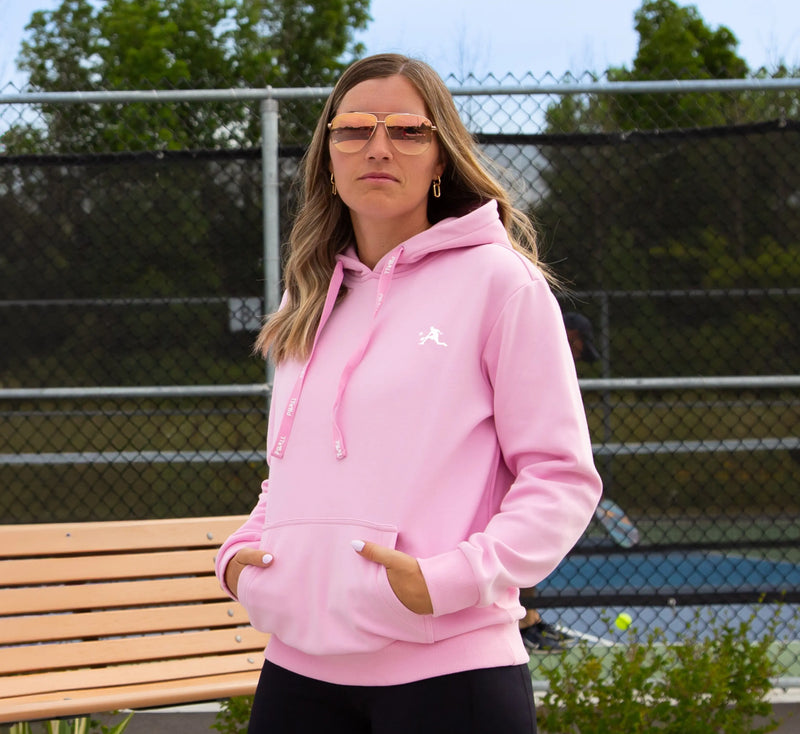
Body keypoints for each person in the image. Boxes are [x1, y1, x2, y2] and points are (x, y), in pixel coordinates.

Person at [214, 53, 602, 734]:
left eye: (408, 132)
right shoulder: (307, 297)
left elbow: (560, 478)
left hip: (450, 672)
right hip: (298, 672)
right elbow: (295, 470)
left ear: (441, 158)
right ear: (328, 157)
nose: (379, 148)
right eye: (355, 130)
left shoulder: (501, 284)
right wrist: (244, 554)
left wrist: (451, 579)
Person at [518, 311, 601, 653]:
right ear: (569, 337)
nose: (578, 357)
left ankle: (529, 619)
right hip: (515, 463)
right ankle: (521, 623)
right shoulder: (527, 362)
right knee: (518, 543)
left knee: (528, 544)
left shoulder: (550, 369)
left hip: (533, 465)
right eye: (579, 348)